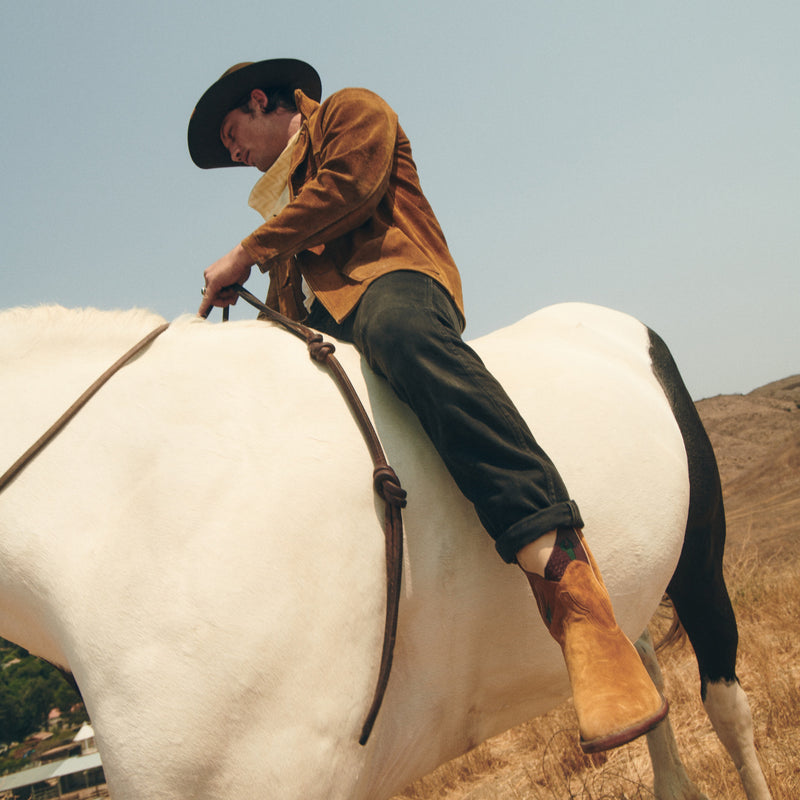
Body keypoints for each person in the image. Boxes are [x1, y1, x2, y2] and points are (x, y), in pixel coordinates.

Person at [187, 58, 668, 753]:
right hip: (328, 333)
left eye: (234, 135)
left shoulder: (352, 113)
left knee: (397, 331)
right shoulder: (281, 217)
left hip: (398, 282)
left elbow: (349, 190)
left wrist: (247, 252)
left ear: (261, 101)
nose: (235, 154)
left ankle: (572, 589)